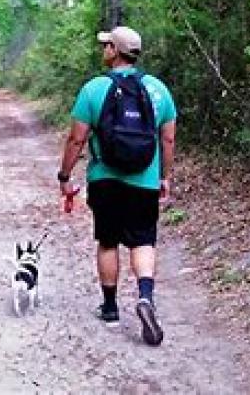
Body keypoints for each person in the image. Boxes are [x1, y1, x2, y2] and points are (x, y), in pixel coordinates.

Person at [57, 26, 177, 346]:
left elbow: (76, 138)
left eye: (106, 45)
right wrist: (164, 176)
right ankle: (145, 297)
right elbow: (167, 138)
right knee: (142, 241)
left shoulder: (94, 89)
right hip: (145, 180)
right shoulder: (158, 90)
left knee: (108, 241)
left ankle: (110, 308)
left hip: (105, 180)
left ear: (114, 51)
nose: (103, 50)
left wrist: (65, 177)